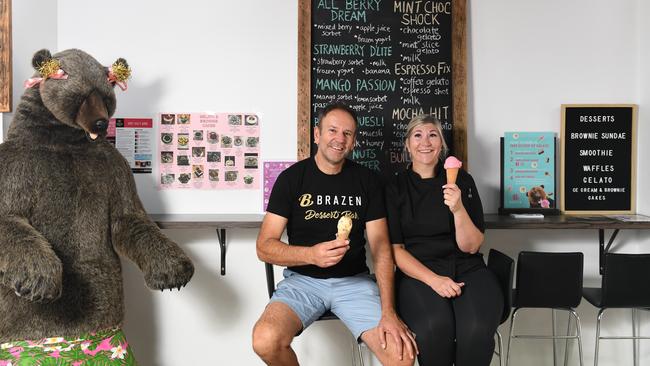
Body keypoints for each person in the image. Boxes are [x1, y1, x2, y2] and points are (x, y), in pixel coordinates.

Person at [252, 102, 417, 366]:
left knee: (402, 357)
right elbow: (264, 247)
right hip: (302, 283)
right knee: (265, 340)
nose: (339, 139)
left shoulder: (368, 181)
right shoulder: (291, 179)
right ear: (317, 134)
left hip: (355, 283)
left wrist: (389, 312)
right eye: (332, 130)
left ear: (353, 142)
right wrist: (311, 255)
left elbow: (381, 249)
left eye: (347, 134)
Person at [385, 115, 503, 366]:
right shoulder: (394, 186)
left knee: (476, 331)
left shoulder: (462, 181)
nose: (425, 142)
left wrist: (458, 209)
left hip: (468, 269)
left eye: (433, 135)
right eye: (417, 135)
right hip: (419, 275)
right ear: (407, 145)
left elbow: (471, 246)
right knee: (434, 330)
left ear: (442, 144)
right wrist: (434, 281)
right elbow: (396, 251)